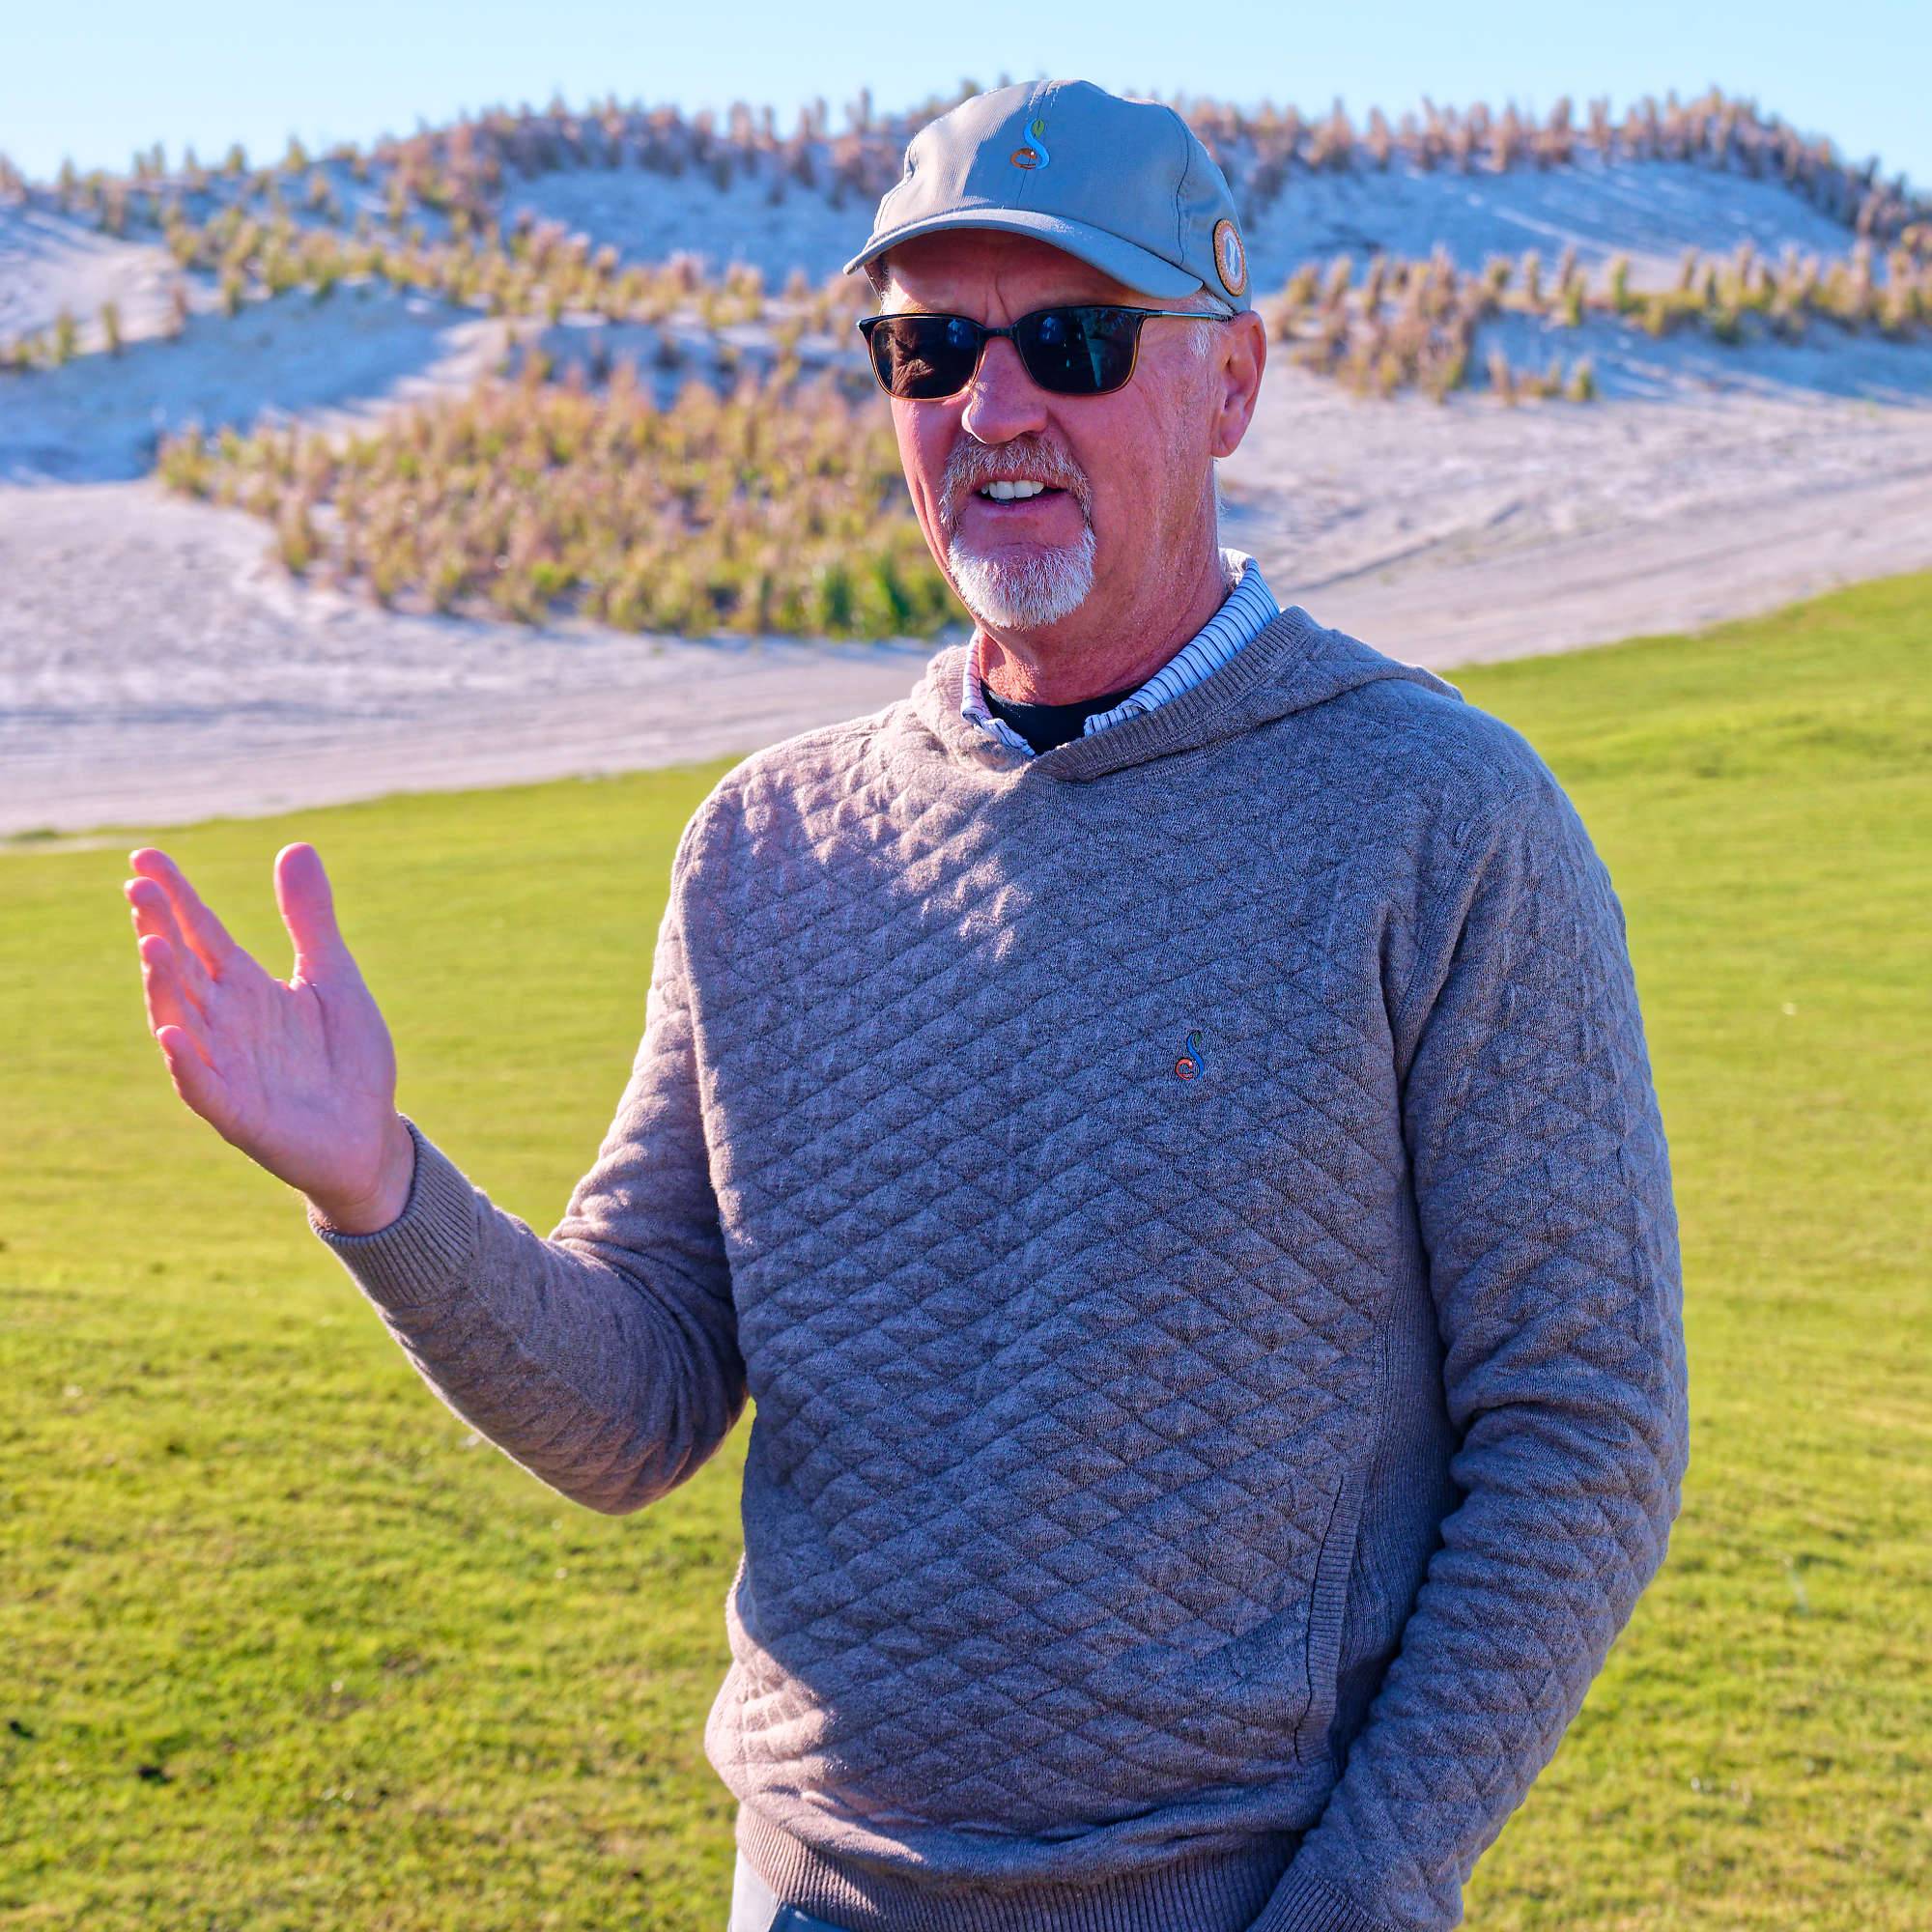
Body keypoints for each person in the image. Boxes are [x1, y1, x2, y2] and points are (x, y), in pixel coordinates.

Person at [124, 78, 1690, 1932]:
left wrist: (1361, 1894)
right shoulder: (764, 847)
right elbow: (635, 1406)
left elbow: (1584, 1428)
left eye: (1076, 341)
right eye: (928, 347)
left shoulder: (1440, 818)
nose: (993, 406)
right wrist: (376, 1184)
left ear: (1232, 382)